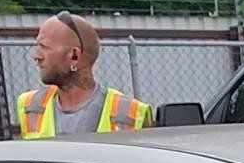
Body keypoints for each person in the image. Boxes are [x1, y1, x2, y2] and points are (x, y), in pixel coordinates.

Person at [16, 12, 151, 138]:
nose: (36, 56)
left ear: (74, 55)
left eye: (44, 47)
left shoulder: (130, 113)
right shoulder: (30, 106)